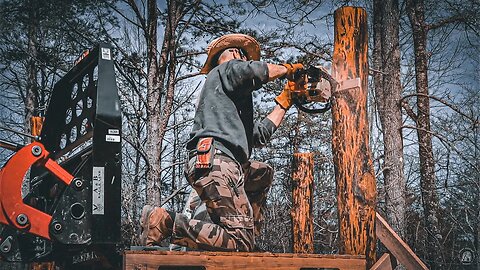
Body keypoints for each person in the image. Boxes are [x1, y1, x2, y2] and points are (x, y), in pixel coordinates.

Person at [139, 33, 303, 251]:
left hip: (221, 163)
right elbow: (253, 71)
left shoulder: (227, 102)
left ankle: (242, 229)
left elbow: (257, 136)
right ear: (235, 54)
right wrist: (289, 69)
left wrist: (285, 101)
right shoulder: (225, 69)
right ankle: (166, 222)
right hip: (217, 161)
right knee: (240, 243)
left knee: (262, 172)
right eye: (243, 57)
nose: (244, 60)